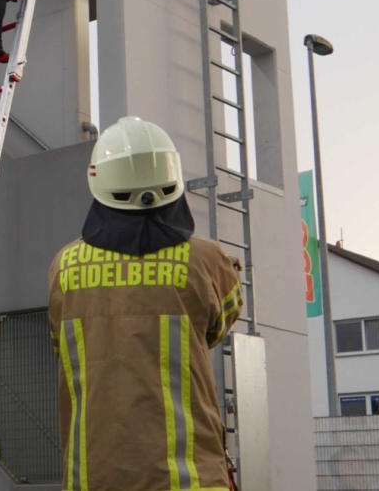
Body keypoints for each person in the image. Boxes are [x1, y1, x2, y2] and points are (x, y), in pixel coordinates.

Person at [47, 117, 243, 490]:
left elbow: (62, 344)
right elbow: (215, 329)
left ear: (98, 182)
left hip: (92, 479)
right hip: (188, 481)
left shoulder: (63, 266)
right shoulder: (207, 260)